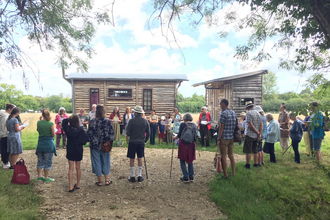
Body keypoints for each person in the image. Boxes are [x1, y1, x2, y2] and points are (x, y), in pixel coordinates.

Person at [87, 105, 114, 186]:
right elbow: (112, 134)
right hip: (105, 145)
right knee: (106, 161)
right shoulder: (107, 121)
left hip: (94, 145)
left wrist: (92, 141)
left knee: (96, 162)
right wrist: (110, 144)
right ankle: (106, 180)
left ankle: (99, 181)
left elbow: (88, 134)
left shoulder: (92, 121)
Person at [62, 115, 89, 192]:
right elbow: (84, 141)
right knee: (78, 167)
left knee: (71, 168)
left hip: (70, 149)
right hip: (78, 149)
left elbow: (64, 122)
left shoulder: (68, 129)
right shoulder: (80, 130)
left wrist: (68, 119)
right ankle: (78, 184)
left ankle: (70, 186)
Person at [126, 106, 150, 182]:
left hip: (132, 142)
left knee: (132, 158)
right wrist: (145, 141)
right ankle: (139, 176)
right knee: (140, 157)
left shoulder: (131, 121)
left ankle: (132, 176)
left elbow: (128, 133)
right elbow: (148, 133)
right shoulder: (145, 121)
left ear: (135, 113)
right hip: (141, 142)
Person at [173, 113, 197, 183]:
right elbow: (195, 136)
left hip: (183, 144)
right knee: (190, 160)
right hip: (191, 144)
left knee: (182, 159)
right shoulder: (194, 125)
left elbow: (179, 135)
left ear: (185, 119)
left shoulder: (183, 125)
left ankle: (185, 177)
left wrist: (174, 137)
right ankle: (191, 176)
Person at [217, 99, 237, 179]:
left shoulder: (223, 114)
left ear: (223, 104)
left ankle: (225, 175)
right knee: (231, 155)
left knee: (224, 156)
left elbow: (221, 128)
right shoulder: (233, 113)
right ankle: (233, 173)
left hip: (224, 137)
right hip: (231, 137)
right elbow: (236, 125)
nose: (220, 106)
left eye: (220, 104)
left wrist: (219, 138)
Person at [36, 109, 57, 182]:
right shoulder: (51, 124)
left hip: (40, 143)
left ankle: (39, 176)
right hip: (48, 144)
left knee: (40, 160)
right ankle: (46, 177)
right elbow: (53, 135)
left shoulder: (39, 122)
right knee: (48, 161)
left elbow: (38, 130)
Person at [243, 101, 262, 169]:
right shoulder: (258, 113)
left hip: (249, 134)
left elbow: (250, 125)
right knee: (255, 150)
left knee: (248, 151)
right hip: (256, 136)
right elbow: (260, 125)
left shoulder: (248, 113)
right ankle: (255, 163)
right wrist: (259, 133)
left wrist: (257, 132)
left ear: (247, 107)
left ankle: (248, 165)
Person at [310, 102, 325, 167]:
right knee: (317, 150)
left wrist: (309, 124)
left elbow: (319, 125)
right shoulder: (314, 114)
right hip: (314, 134)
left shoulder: (319, 114)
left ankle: (318, 165)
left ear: (314, 107)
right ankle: (319, 163)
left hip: (318, 134)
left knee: (317, 150)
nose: (309, 108)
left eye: (310, 107)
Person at [0, 104, 15, 168]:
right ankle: (5, 162)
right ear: (9, 109)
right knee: (5, 149)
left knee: (4, 148)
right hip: (5, 134)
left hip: (3, 133)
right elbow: (5, 126)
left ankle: (5, 161)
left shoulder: (2, 114)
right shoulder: (6, 116)